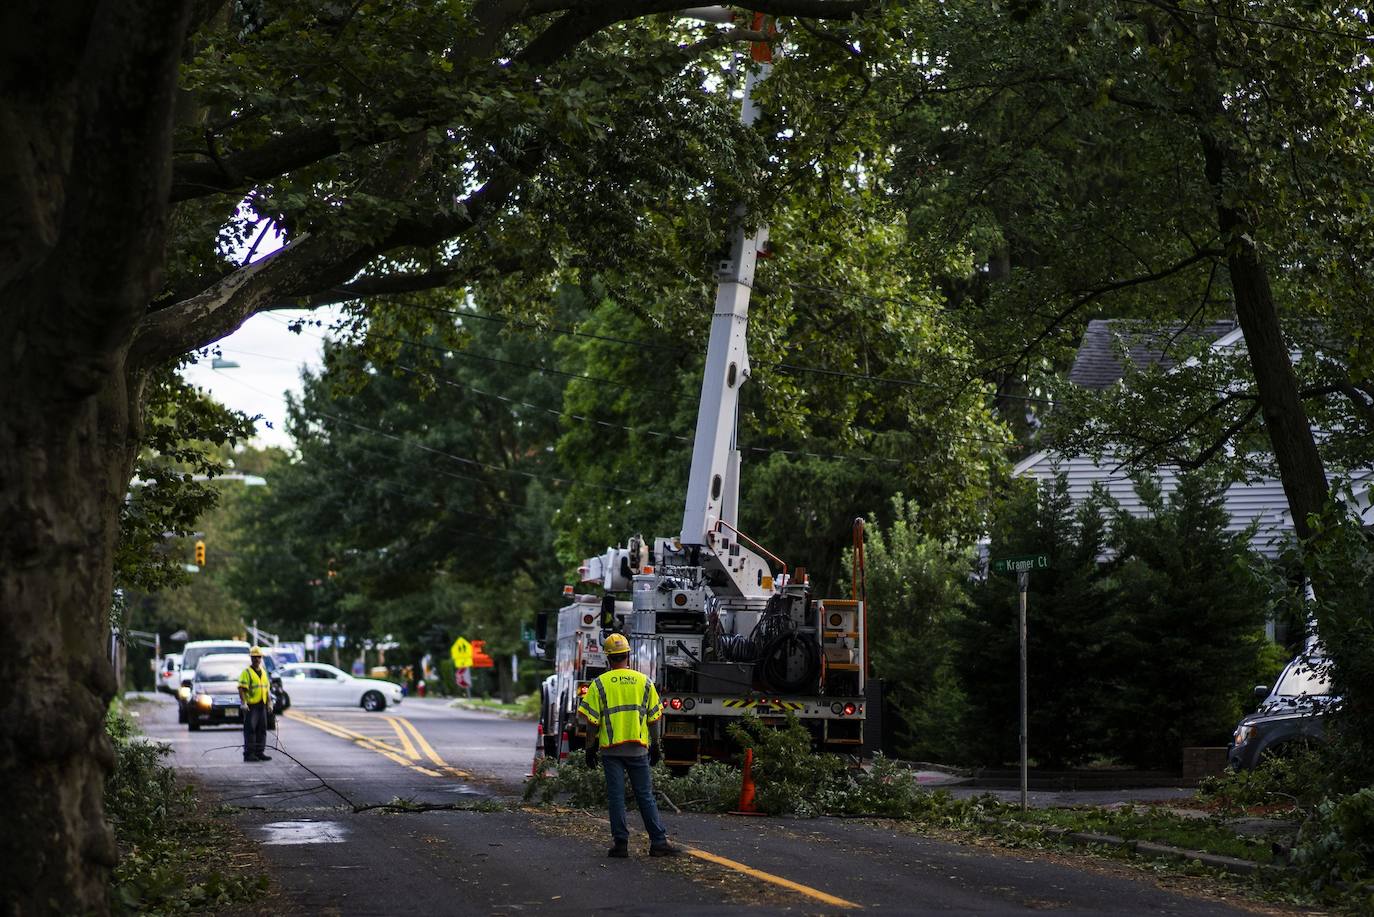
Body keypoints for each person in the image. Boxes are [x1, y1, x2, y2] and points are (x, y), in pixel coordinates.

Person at [578, 632, 679, 858]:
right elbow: (654, 718)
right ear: (627, 656)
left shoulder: (599, 684)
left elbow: (592, 722)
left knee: (616, 796)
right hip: (637, 749)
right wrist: (656, 746)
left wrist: (589, 748)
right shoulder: (644, 682)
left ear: (608, 658)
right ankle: (659, 842)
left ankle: (621, 844)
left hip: (611, 749)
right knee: (645, 795)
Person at [238, 647, 272, 762]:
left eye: (259, 657)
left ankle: (259, 752)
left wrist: (269, 702)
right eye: (254, 657)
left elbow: (266, 689)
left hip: (261, 704)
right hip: (251, 706)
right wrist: (243, 703)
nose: (257, 659)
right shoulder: (246, 672)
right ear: (251, 658)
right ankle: (249, 754)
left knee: (262, 729)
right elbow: (241, 688)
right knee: (250, 730)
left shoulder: (263, 672)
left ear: (261, 658)